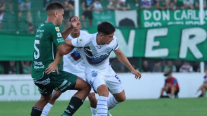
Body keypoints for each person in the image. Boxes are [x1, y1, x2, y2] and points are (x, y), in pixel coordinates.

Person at [63, 21, 141, 116]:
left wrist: (132, 69)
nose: (112, 39)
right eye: (110, 37)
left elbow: (119, 54)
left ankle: (101, 109)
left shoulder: (113, 41)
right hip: (92, 71)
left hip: (107, 70)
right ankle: (101, 112)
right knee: (104, 93)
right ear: (101, 36)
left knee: (121, 97)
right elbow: (64, 42)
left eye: (113, 36)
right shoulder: (86, 40)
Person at [30, 2, 90, 116]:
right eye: (62, 15)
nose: (62, 18)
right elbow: (62, 50)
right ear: (56, 13)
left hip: (37, 74)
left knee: (44, 99)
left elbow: (58, 38)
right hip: (49, 72)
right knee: (86, 87)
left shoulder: (42, 26)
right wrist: (78, 42)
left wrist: (70, 28)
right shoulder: (54, 27)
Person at [41, 17, 99, 116]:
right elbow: (56, 44)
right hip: (69, 71)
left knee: (92, 98)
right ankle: (43, 114)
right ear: (69, 25)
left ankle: (95, 114)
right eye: (74, 23)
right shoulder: (64, 37)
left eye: (78, 24)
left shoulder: (86, 36)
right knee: (55, 94)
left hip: (84, 72)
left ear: (80, 26)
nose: (76, 26)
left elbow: (94, 52)